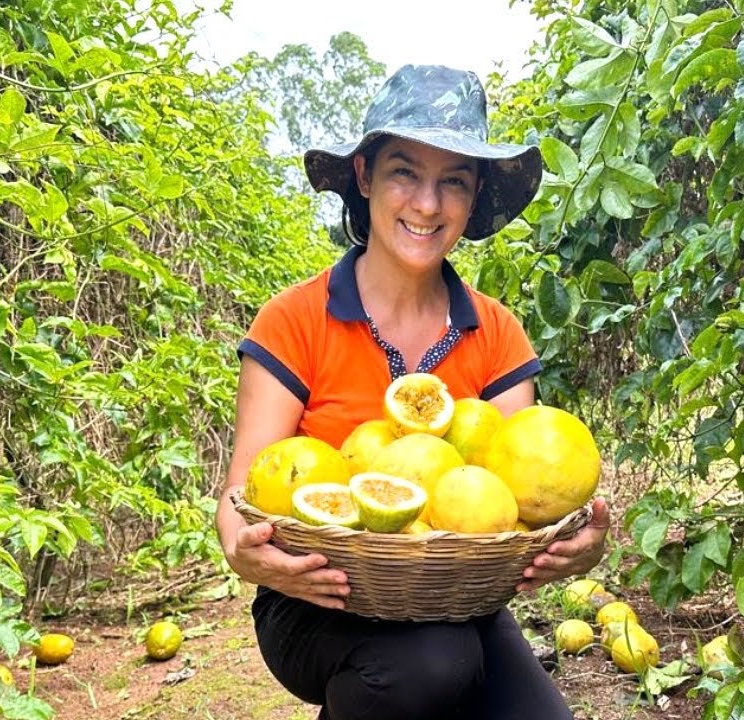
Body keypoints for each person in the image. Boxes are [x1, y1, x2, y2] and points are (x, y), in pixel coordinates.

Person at [214, 64, 611, 720]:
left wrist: (574, 542)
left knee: (479, 672)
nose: (427, 205)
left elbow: (515, 506)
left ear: (474, 193)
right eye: (405, 172)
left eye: (452, 181)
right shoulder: (292, 320)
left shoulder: (497, 332)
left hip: (456, 598)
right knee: (429, 668)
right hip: (318, 597)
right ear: (365, 177)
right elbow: (237, 507)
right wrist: (251, 558)